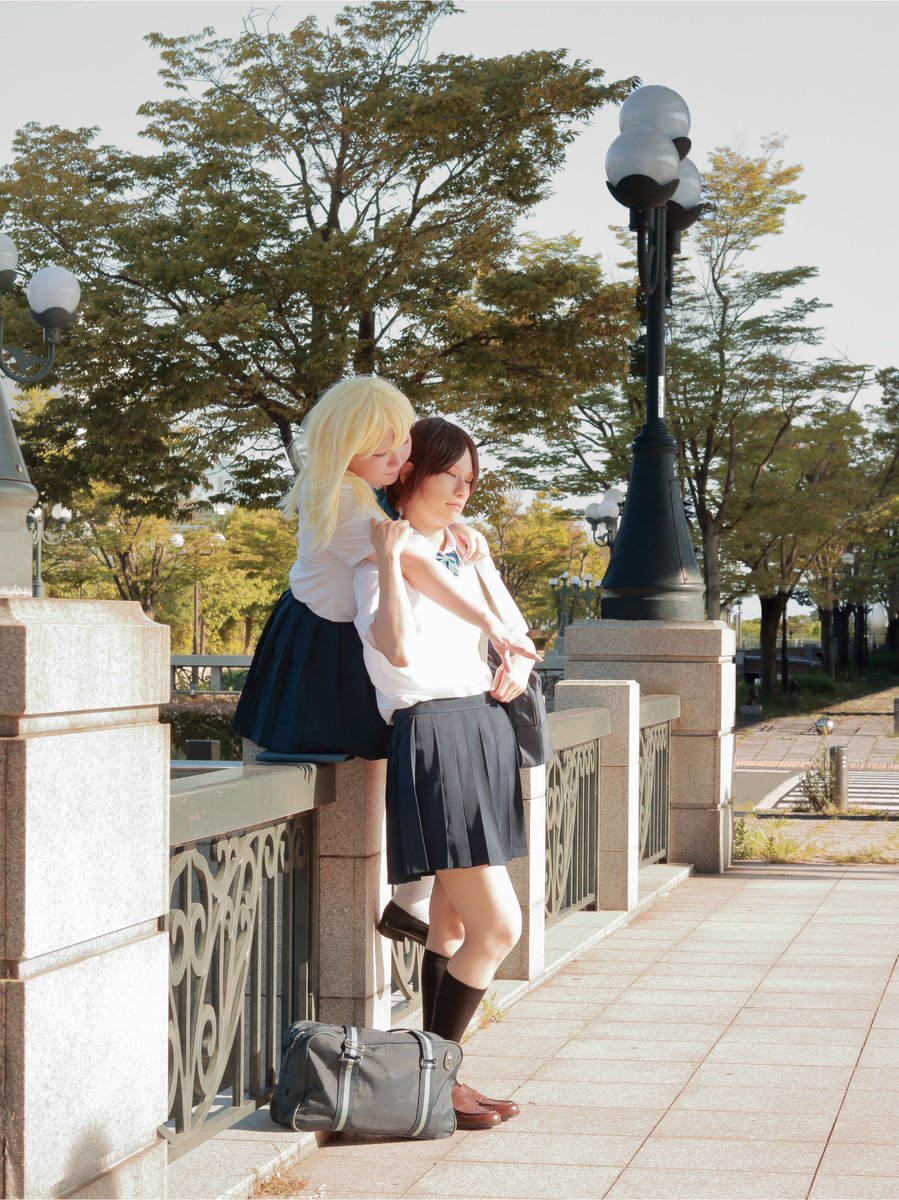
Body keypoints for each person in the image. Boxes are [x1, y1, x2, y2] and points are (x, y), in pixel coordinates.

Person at [233, 376, 537, 944]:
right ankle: (407, 902)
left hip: (347, 635)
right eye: (382, 452)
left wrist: (455, 525)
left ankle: (409, 901)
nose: (398, 462)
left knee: (408, 739)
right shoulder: (345, 503)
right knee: (400, 740)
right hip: (321, 643)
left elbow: (412, 536)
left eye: (402, 445)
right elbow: (412, 563)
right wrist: (491, 624)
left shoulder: (363, 487)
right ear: (343, 449)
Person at [355, 417, 535, 1131]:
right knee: (500, 926)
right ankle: (434, 1081)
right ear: (409, 473)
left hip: (481, 728)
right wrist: (390, 563)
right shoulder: (380, 557)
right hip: (436, 733)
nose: (462, 491)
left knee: (455, 921)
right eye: (449, 476)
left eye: (470, 480)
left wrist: (514, 663)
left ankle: (439, 1083)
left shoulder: (460, 552)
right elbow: (397, 654)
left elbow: (513, 634)